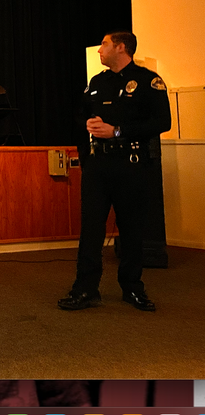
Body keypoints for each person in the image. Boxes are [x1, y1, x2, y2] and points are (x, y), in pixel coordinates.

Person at [58, 31, 171, 311]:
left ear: (121, 48)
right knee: (91, 230)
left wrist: (118, 131)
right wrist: (87, 143)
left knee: (132, 230)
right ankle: (85, 289)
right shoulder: (97, 83)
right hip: (98, 167)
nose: (99, 51)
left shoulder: (147, 82)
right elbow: (80, 117)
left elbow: (162, 121)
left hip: (130, 165)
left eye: (104, 45)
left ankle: (132, 289)